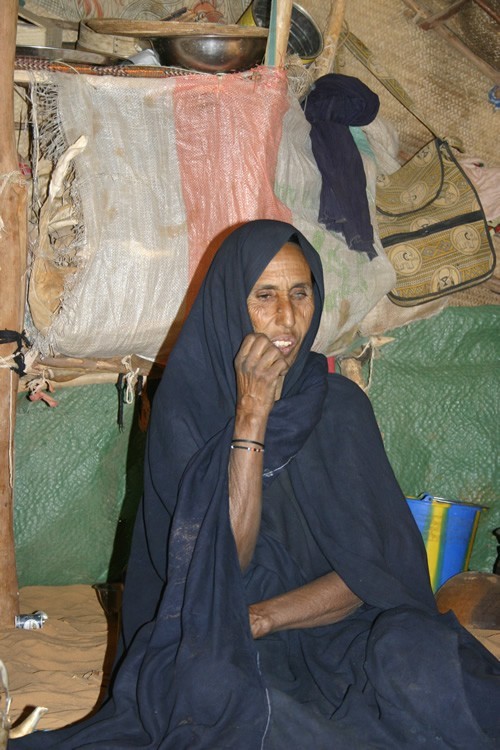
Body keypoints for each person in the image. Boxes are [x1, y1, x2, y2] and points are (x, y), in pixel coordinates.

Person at [12, 220, 500, 749]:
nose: (286, 317)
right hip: (214, 628)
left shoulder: (339, 408)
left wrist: (264, 617)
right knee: (221, 696)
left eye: (300, 293)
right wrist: (251, 415)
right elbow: (225, 562)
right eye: (263, 295)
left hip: (328, 624)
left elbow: (372, 574)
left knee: (421, 654)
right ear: (230, 302)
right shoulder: (188, 411)